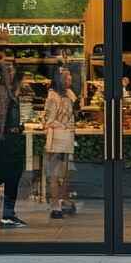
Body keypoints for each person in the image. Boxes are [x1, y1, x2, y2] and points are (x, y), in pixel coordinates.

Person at [0, 52, 28, 229]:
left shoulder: (10, 91)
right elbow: (0, 115)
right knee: (7, 176)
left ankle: (9, 214)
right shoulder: (2, 91)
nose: (12, 72)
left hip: (12, 137)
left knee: (11, 176)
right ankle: (7, 215)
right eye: (9, 70)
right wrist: (1, 136)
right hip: (6, 140)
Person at [43, 67, 77, 219]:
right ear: (60, 80)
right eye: (67, 77)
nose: (70, 79)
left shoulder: (69, 94)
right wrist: (64, 126)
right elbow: (48, 120)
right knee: (55, 174)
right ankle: (55, 206)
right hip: (56, 139)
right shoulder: (52, 96)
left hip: (67, 138)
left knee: (66, 173)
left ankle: (63, 201)